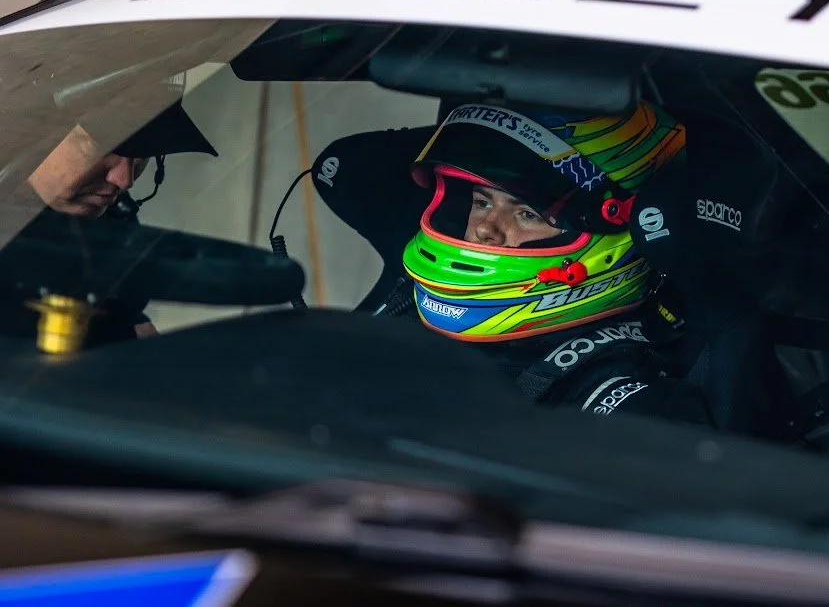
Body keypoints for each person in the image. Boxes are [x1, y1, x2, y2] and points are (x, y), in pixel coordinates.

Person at [313, 101, 713, 424]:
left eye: (528, 214)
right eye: (482, 201)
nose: (486, 229)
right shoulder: (405, 313)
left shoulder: (626, 401)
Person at [10, 100, 218, 344]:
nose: (124, 179)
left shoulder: (112, 223)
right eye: (107, 149)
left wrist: (131, 323)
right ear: (35, 131)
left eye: (142, 156)